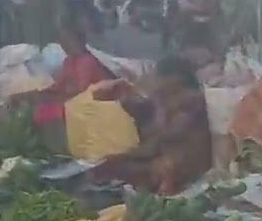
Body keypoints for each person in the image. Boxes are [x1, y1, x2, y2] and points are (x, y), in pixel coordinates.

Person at [91, 56, 212, 195]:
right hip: (162, 154)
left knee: (163, 168)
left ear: (176, 80)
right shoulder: (164, 97)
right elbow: (149, 124)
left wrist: (133, 153)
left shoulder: (191, 100)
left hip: (185, 165)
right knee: (109, 166)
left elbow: (168, 133)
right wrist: (125, 100)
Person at [12, 21, 112, 152]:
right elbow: (58, 86)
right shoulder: (69, 61)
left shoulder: (86, 61)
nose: (64, 45)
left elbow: (82, 92)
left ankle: (62, 149)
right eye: (62, 41)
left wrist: (53, 97)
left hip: (91, 104)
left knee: (53, 111)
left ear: (79, 40)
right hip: (74, 101)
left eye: (67, 40)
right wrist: (33, 94)